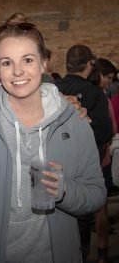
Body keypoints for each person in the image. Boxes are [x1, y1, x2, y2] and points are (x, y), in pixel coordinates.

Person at [0, 21, 106, 263]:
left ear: (43, 64)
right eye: (7, 62)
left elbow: (96, 194)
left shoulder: (74, 120)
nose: (18, 71)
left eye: (27, 60)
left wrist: (65, 192)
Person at [55, 45, 113, 261]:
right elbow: (104, 132)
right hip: (83, 172)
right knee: (81, 222)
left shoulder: (54, 87)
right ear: (89, 65)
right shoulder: (95, 93)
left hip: (54, 168)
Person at [89, 57, 118, 263]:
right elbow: (112, 129)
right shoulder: (100, 97)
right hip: (100, 157)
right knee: (101, 204)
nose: (110, 81)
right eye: (109, 77)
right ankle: (102, 250)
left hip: (91, 157)